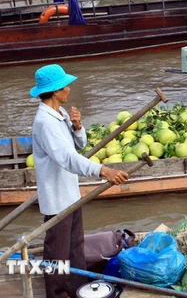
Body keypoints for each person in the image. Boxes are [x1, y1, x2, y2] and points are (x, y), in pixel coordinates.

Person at [30, 64, 129, 298]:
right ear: (55, 91)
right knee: (57, 252)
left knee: (75, 248)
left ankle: (78, 289)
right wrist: (102, 170)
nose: (69, 88)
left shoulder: (61, 114)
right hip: (56, 198)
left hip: (70, 193)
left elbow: (79, 147)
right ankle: (57, 294)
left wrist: (77, 127)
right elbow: (67, 158)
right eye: (65, 85)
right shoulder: (45, 122)